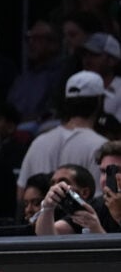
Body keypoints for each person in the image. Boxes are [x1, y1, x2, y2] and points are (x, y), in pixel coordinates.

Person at [16, 71, 109, 200]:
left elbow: (21, 195)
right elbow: (103, 199)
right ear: (100, 101)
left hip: (40, 219)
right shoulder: (101, 146)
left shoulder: (39, 142)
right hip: (78, 220)